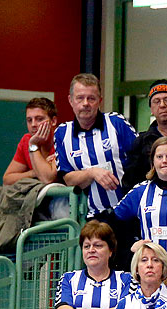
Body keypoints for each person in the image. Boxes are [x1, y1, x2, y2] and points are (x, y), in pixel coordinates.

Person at [55, 73, 137, 219]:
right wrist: (92, 173)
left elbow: (141, 161)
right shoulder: (62, 133)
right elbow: (68, 179)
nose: (85, 103)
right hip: (91, 219)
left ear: (99, 101)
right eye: (80, 98)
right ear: (70, 100)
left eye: (91, 98)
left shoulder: (116, 122)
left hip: (128, 213)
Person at [112, 136, 167, 257]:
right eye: (159, 157)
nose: (164, 161)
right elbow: (114, 221)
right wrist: (131, 243)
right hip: (149, 265)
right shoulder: (140, 191)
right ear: (153, 162)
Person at [123, 79, 167, 190]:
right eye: (156, 101)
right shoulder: (141, 142)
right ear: (151, 109)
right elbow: (130, 182)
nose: (162, 105)